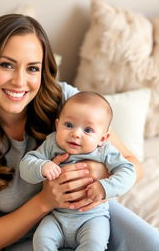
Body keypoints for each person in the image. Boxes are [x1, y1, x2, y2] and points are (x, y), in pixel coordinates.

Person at [0, 13, 159, 251]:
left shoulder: (65, 102)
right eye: (6, 65)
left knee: (156, 245)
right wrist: (46, 200)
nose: (20, 81)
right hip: (29, 239)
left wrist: (99, 172)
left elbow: (134, 166)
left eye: (32, 68)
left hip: (89, 216)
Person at [19, 91, 136, 250]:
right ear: (57, 124)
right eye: (68, 125)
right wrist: (42, 166)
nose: (75, 133)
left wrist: (105, 187)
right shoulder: (53, 143)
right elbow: (26, 165)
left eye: (88, 130)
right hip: (56, 217)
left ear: (102, 138)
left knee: (94, 244)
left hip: (92, 218)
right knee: (41, 239)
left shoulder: (104, 151)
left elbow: (128, 171)